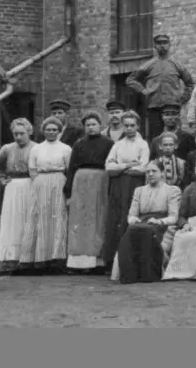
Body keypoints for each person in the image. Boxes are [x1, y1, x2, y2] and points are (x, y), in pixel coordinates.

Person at [18, 118, 73, 274]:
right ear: (43, 131)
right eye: (48, 129)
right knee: (40, 217)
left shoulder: (66, 148)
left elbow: (69, 169)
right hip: (41, 182)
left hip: (59, 181)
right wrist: (40, 183)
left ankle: (57, 258)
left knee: (58, 218)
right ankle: (39, 258)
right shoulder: (37, 149)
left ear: (59, 131)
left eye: (54, 129)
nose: (51, 132)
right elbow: (32, 169)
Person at [113, 161, 180, 284]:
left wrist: (159, 221)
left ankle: (149, 273)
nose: (150, 174)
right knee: (132, 231)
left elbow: (173, 217)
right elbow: (132, 214)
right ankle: (130, 274)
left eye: (154, 171)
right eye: (148, 171)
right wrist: (133, 220)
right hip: (141, 224)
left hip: (163, 227)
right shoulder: (139, 191)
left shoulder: (172, 190)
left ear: (162, 173)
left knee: (147, 232)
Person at [64, 111, 114, 274]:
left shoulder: (108, 143)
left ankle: (98, 261)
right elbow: (71, 167)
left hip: (100, 180)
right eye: (88, 125)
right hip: (81, 182)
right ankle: (79, 262)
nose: (91, 128)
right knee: (80, 219)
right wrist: (69, 192)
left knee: (98, 219)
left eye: (94, 124)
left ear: (100, 125)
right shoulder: (78, 144)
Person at [102, 111, 149, 271]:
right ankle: (112, 261)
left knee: (131, 216)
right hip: (117, 185)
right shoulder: (118, 145)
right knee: (116, 219)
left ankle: (132, 260)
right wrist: (127, 165)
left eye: (132, 125)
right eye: (126, 125)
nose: (129, 128)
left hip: (134, 185)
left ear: (137, 126)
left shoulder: (142, 144)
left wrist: (120, 167)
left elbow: (143, 167)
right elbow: (109, 167)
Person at [0, 119, 36, 275]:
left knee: (28, 222)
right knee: (12, 223)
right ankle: (8, 260)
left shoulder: (37, 148)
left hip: (31, 185)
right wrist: (2, 180)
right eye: (15, 134)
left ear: (29, 132)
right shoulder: (7, 149)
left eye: (22, 133)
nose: (18, 137)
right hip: (13, 187)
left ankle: (28, 261)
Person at [125, 33, 195, 139]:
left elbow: (190, 83)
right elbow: (130, 79)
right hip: (154, 107)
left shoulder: (176, 65)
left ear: (169, 45)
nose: (162, 45)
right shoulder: (148, 65)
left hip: (173, 107)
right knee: (156, 137)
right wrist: (142, 90)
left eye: (165, 43)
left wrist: (182, 99)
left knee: (175, 135)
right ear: (155, 46)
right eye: (159, 43)